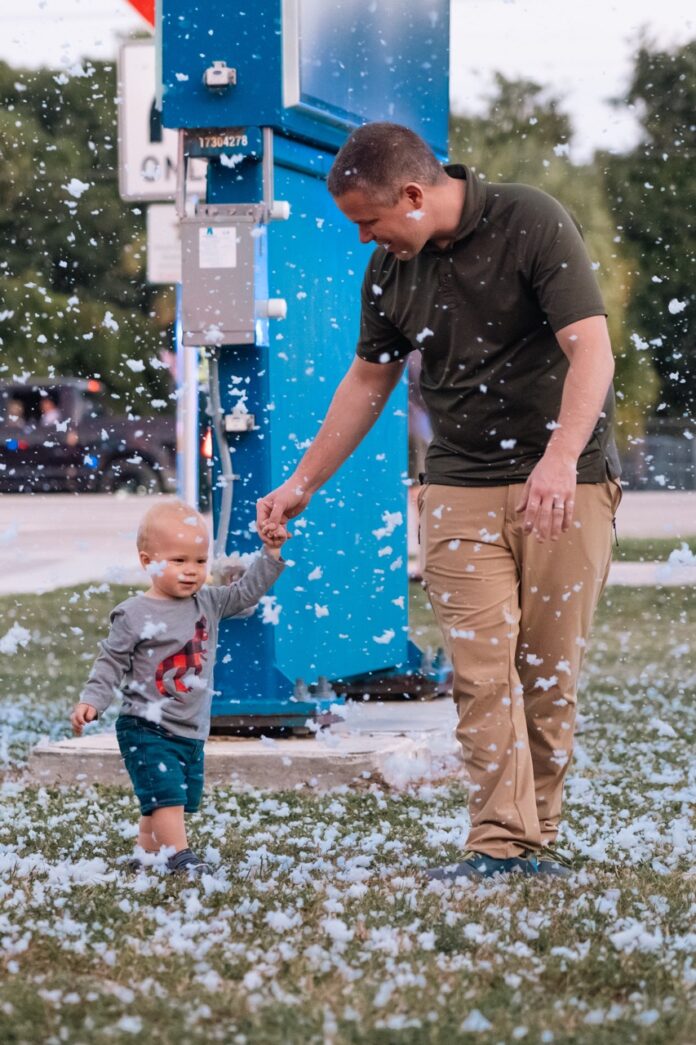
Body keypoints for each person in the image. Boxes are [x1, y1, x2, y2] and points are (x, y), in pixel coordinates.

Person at [257, 122, 622, 882]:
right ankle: (499, 841)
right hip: (458, 483)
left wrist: (558, 460)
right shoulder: (393, 269)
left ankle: (537, 832)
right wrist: (300, 484)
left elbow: (592, 345)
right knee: (479, 673)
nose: (365, 239)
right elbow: (366, 383)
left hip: (568, 480)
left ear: (415, 195)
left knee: (545, 674)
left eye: (370, 221)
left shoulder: (530, 220)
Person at [71, 499, 288, 876]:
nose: (191, 572)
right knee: (167, 797)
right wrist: (93, 699)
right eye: (178, 561)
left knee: (163, 799)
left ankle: (147, 855)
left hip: (190, 727)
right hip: (147, 725)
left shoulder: (207, 602)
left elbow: (246, 593)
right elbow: (111, 661)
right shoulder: (134, 613)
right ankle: (179, 857)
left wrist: (270, 553)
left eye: (199, 562)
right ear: (147, 561)